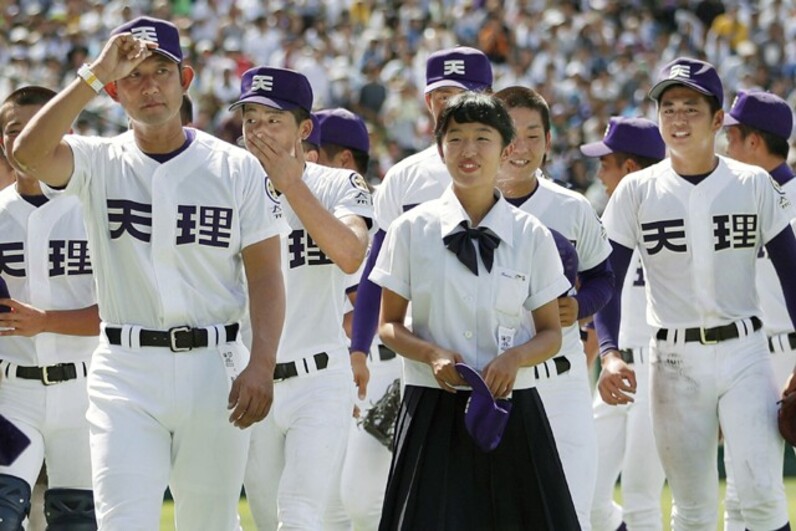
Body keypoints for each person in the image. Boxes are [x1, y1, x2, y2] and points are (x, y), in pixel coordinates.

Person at [12, 16, 287, 530]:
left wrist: (263, 361)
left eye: (161, 70)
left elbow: (267, 275)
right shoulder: (96, 159)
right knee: (122, 521)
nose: (149, 85)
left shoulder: (236, 166)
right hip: (125, 369)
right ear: (114, 91)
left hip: (216, 365)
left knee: (209, 522)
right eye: (133, 75)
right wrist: (94, 73)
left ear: (185, 80)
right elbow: (25, 155)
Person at [594, 57, 796, 531]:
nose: (678, 119)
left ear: (718, 118)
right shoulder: (635, 191)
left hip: (746, 350)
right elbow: (607, 277)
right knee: (693, 509)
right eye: (668, 108)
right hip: (674, 360)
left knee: (763, 497)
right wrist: (608, 353)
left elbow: (791, 271)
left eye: (691, 107)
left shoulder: (753, 183)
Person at [371, 91, 579, 530]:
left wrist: (516, 358)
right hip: (431, 408)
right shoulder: (411, 230)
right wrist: (431, 354)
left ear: (505, 150)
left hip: (512, 409)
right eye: (456, 139)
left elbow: (550, 332)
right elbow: (388, 325)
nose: (468, 151)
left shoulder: (532, 235)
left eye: (482, 138)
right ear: (440, 147)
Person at [233, 66, 373, 531]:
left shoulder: (339, 183)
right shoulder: (225, 186)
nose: (259, 131)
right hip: (248, 378)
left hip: (319, 375)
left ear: (304, 128)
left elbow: (351, 255)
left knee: (300, 516)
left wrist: (293, 184)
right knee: (268, 517)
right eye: (250, 118)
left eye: (274, 120)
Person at [493, 85, 615, 531]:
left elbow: (605, 278)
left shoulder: (571, 207)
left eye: (533, 135)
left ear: (548, 142)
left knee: (571, 517)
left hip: (561, 385)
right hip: (493, 384)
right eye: (509, 133)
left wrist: (580, 305)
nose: (520, 147)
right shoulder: (458, 209)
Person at [350, 44, 493, 414]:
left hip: (501, 351)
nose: (451, 106)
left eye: (464, 96)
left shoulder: (510, 169)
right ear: (428, 101)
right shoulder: (404, 177)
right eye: (443, 96)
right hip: (424, 354)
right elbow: (376, 271)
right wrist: (359, 350)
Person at [0, 85, 100, 530]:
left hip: (84, 389)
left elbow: (123, 312)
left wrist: (46, 322)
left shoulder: (94, 209)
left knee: (77, 520)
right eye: (12, 130)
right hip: (10, 392)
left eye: (36, 128)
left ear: (66, 132)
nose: (21, 141)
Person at [579, 116, 668, 531]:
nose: (599, 172)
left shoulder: (678, 216)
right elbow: (603, 301)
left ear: (630, 168)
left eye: (607, 163)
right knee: (587, 494)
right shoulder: (607, 226)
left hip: (662, 365)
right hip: (616, 368)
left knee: (640, 498)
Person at [313, 106, 395, 530]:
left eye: (313, 151)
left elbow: (367, 303)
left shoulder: (383, 211)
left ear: (344, 161)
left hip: (379, 370)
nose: (304, 160)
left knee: (365, 501)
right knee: (329, 507)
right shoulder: (314, 208)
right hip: (338, 370)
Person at [720, 90, 796, 531]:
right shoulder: (736, 201)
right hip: (750, 355)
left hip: (790, 352)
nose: (726, 147)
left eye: (732, 136)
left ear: (754, 143)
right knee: (742, 491)